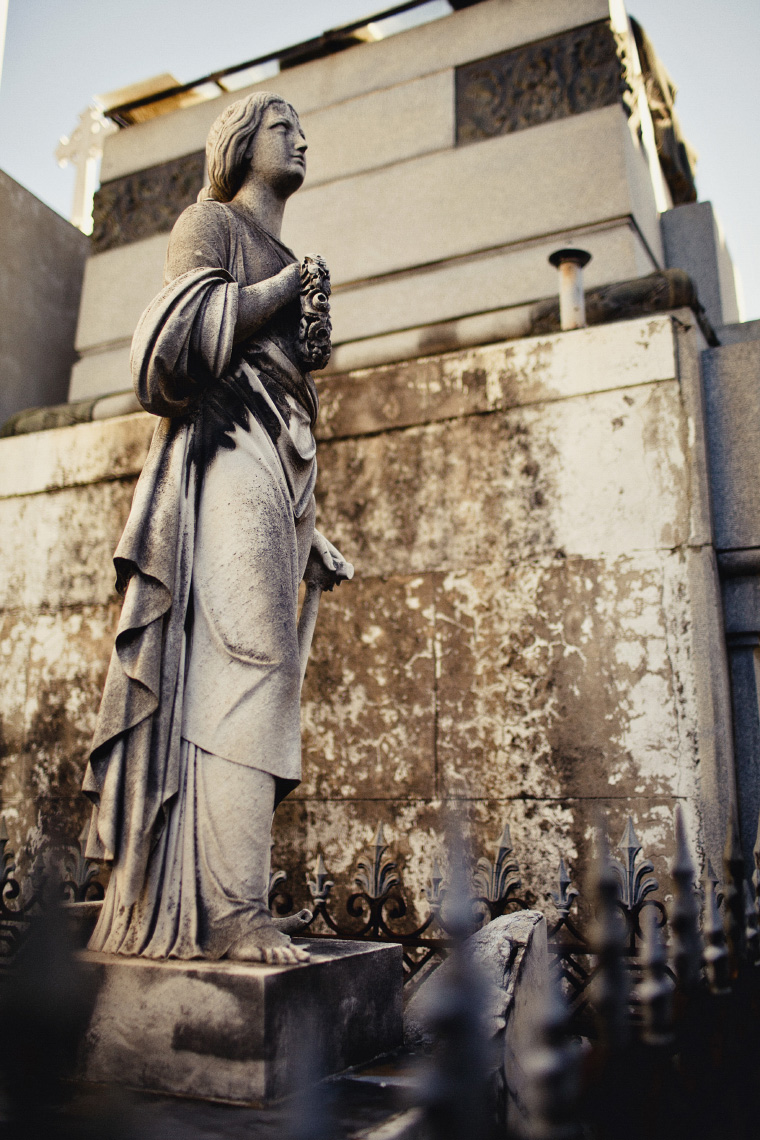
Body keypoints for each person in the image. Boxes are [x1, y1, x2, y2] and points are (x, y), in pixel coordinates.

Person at [81, 92, 352, 965]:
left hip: (276, 465)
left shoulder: (275, 247)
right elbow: (165, 352)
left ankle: (231, 896)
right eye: (282, 126)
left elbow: (286, 396)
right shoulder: (210, 223)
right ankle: (229, 912)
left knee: (262, 674)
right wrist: (281, 291)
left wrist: (308, 533)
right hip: (223, 444)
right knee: (247, 659)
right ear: (238, 143)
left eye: (301, 127)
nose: (299, 136)